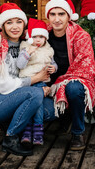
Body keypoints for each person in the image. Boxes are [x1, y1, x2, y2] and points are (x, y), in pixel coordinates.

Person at [0, 0, 95, 151]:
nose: (57, 19)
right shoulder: (43, 33)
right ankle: (29, 130)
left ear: (69, 16)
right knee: (32, 104)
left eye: (61, 14)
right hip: (43, 85)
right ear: (48, 16)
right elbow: (15, 31)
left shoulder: (80, 36)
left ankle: (78, 132)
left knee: (74, 88)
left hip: (68, 82)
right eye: (53, 14)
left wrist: (58, 84)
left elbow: (85, 67)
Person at [0, 3, 50, 156]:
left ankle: (8, 124)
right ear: (3, 25)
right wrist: (36, 79)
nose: (14, 26)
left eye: (19, 21)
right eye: (9, 22)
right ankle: (11, 138)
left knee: (49, 110)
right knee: (35, 95)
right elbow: (4, 85)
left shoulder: (25, 44)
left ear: (24, 24)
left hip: (12, 97)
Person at [17, 18, 58, 146]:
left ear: (46, 38)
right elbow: (20, 65)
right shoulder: (25, 48)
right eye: (35, 37)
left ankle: (36, 130)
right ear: (29, 37)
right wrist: (27, 53)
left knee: (37, 104)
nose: (38, 40)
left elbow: (53, 63)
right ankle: (30, 131)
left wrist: (54, 68)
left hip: (41, 83)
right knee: (33, 104)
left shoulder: (48, 50)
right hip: (28, 82)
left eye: (41, 37)